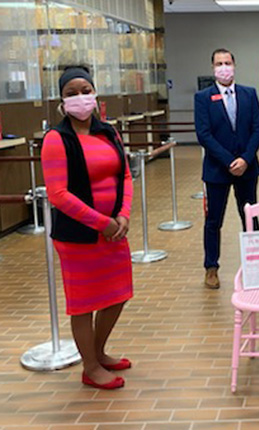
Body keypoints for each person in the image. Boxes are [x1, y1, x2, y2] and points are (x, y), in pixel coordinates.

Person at [41, 66, 133, 389]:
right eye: (71, 93)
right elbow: (59, 194)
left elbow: (124, 175)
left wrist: (122, 215)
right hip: (78, 237)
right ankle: (90, 368)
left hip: (113, 232)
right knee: (83, 304)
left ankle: (98, 351)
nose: (80, 98)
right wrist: (101, 223)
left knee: (118, 294)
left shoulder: (108, 132)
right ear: (62, 101)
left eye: (85, 90)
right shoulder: (56, 139)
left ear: (95, 94)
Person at [194, 49, 259, 289]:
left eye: (228, 62)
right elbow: (204, 134)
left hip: (247, 168)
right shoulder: (203, 98)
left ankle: (257, 266)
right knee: (214, 221)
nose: (224, 67)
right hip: (217, 170)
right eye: (219, 63)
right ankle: (211, 268)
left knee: (250, 218)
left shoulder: (249, 94)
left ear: (235, 65)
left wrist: (245, 159)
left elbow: (257, 130)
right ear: (213, 68)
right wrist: (228, 161)